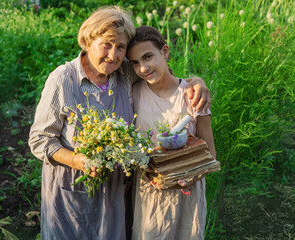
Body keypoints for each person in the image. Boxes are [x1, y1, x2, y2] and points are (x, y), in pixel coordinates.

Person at [28, 7, 211, 240]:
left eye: (120, 47)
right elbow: (39, 139)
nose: (113, 55)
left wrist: (196, 82)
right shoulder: (63, 80)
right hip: (72, 193)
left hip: (116, 194)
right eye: (106, 44)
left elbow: (161, 77)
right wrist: (77, 160)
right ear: (87, 41)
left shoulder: (124, 72)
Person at [127, 26, 216, 240]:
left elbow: (210, 154)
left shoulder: (193, 96)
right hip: (149, 194)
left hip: (187, 196)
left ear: (165, 51)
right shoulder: (133, 94)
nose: (143, 68)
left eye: (148, 57)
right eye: (135, 63)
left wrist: (192, 177)